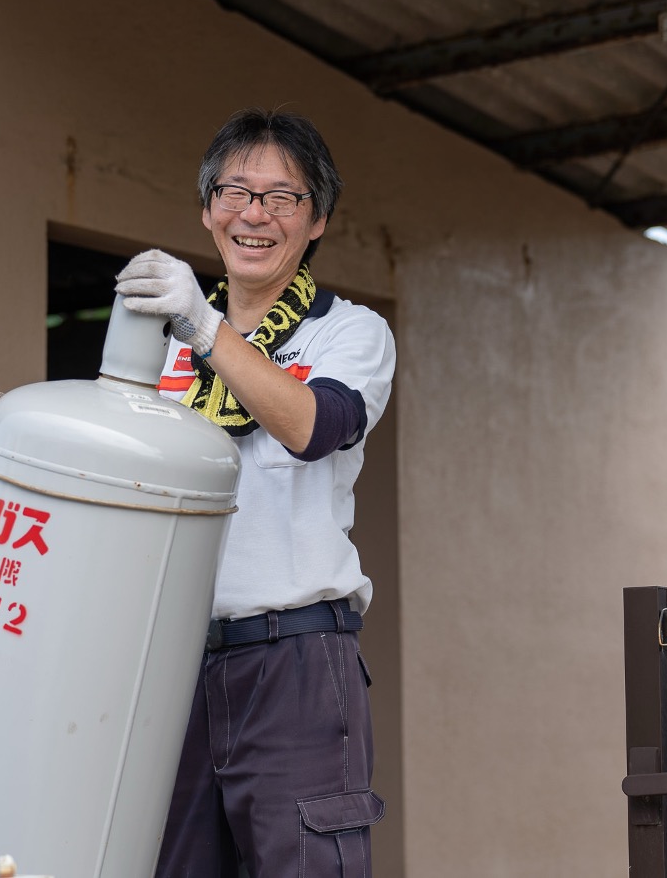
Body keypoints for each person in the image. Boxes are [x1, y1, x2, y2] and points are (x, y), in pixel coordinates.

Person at [113, 108, 396, 877]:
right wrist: (13, 462)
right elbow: (117, 487)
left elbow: (315, 426)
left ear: (318, 220)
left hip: (296, 658)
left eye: (282, 197)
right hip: (172, 664)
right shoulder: (158, 348)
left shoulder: (349, 332)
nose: (255, 214)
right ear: (208, 210)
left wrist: (204, 328)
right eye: (235, 192)